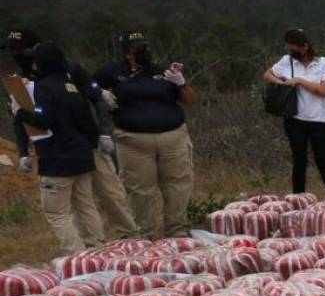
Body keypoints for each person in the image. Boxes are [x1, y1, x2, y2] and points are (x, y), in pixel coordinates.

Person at [4, 28, 140, 239]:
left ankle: (131, 236)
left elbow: (96, 98)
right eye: (12, 50)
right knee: (77, 202)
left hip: (86, 141)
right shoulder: (22, 80)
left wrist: (104, 132)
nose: (16, 54)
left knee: (109, 192)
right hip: (54, 151)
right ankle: (89, 246)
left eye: (20, 50)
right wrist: (24, 149)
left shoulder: (67, 67)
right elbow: (25, 119)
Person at [94, 31, 195, 237]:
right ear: (127, 54)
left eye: (145, 47)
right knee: (140, 191)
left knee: (178, 185)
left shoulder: (162, 72)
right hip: (133, 141)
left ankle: (177, 230)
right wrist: (100, 92)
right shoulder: (112, 73)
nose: (144, 52)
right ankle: (146, 234)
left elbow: (189, 99)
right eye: (138, 49)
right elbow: (85, 83)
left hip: (173, 137)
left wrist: (181, 83)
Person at [14, 43, 105, 254]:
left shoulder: (43, 87)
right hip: (82, 156)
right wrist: (90, 145)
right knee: (86, 206)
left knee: (57, 213)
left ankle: (77, 257)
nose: (33, 63)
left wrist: (22, 112)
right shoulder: (72, 86)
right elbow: (89, 123)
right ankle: (98, 250)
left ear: (43, 62)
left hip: (57, 160)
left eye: (36, 59)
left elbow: (43, 119)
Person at [262, 28, 325, 195]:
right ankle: (298, 199)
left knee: (322, 161)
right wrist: (281, 83)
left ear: (305, 47)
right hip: (295, 119)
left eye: (294, 49)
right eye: (289, 48)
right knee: (299, 161)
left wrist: (299, 81)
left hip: (320, 120)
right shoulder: (287, 61)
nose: (291, 52)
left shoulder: (323, 63)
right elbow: (267, 74)